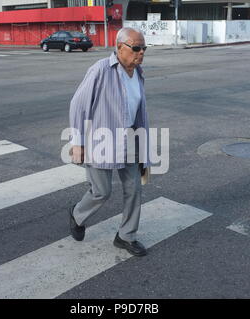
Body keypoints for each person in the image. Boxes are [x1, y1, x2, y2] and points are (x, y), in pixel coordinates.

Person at [68, 27, 150, 257]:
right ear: (119, 47)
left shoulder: (139, 73)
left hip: (131, 138)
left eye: (144, 48)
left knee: (134, 188)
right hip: (101, 141)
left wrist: (144, 151)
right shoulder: (101, 70)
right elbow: (78, 105)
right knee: (101, 192)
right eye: (136, 48)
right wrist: (78, 143)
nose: (141, 52)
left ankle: (126, 236)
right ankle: (77, 215)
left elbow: (140, 113)